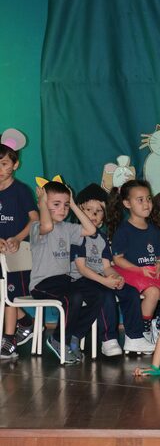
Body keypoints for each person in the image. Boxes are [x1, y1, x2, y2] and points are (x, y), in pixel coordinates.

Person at [70, 183, 153, 356]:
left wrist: (116, 277)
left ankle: (134, 337)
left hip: (100, 278)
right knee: (105, 293)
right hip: (80, 280)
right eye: (88, 210)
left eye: (98, 211)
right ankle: (108, 339)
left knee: (129, 292)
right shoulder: (76, 235)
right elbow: (82, 269)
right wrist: (105, 281)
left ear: (104, 216)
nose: (94, 214)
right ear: (79, 212)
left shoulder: (102, 238)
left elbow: (107, 267)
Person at [30, 177, 102, 364]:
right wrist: (42, 203)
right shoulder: (37, 227)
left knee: (98, 295)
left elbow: (91, 230)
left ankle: (74, 336)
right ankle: (58, 339)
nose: (63, 209)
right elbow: (47, 226)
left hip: (64, 281)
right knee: (74, 297)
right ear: (43, 203)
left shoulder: (68, 228)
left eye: (66, 205)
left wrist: (74, 204)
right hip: (42, 284)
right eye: (56, 204)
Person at [109, 179, 160, 343]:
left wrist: (159, 263)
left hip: (151, 270)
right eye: (140, 200)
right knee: (153, 292)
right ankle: (144, 328)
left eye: (148, 198)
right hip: (131, 271)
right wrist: (139, 270)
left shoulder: (154, 229)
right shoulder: (123, 230)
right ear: (127, 203)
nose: (146, 204)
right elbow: (117, 259)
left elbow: (159, 255)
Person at [0, 141, 38, 360]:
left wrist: (17, 238)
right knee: (3, 296)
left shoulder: (21, 190)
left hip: (17, 254)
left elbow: (35, 220)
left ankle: (9, 339)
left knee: (10, 296)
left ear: (15, 165)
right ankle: (25, 322)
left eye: (4, 163)